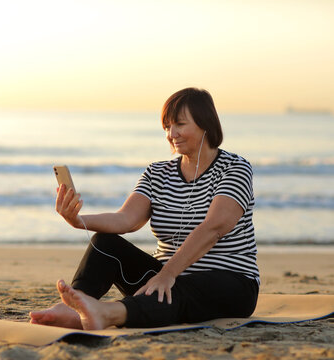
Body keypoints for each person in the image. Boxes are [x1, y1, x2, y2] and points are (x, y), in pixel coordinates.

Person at [29, 88, 260, 330]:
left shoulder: (235, 168)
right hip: (164, 278)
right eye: (167, 127)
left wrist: (167, 275)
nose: (172, 134)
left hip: (229, 282)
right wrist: (78, 220)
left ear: (206, 124)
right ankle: (74, 308)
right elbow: (126, 219)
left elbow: (213, 228)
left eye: (179, 124)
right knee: (104, 243)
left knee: (179, 289)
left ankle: (108, 313)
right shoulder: (157, 173)